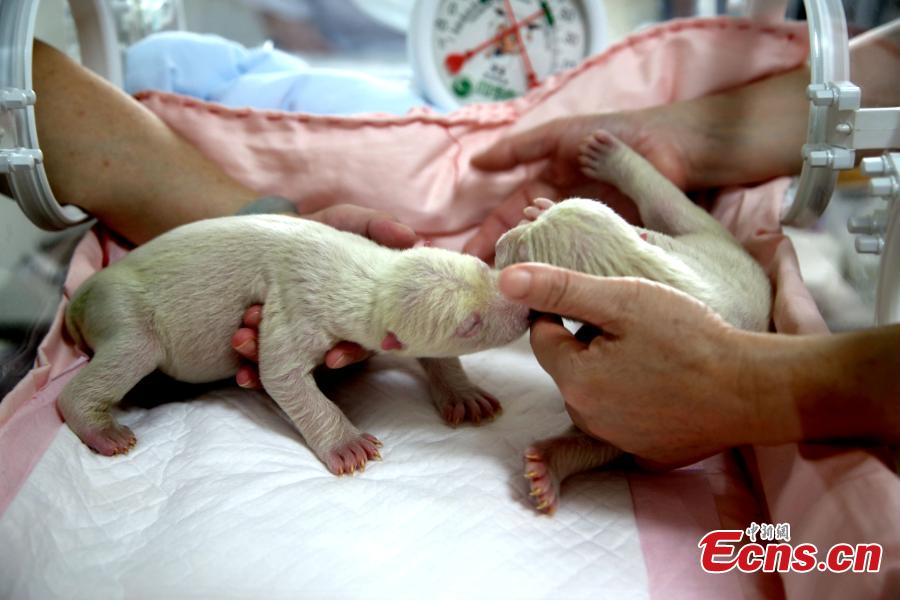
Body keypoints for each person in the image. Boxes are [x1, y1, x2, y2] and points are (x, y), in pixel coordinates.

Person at [24, 24, 900, 469]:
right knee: (153, 340)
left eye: (490, 289)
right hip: (151, 309)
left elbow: (430, 324)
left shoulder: (404, 309)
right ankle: (92, 402)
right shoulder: (373, 313)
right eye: (488, 318)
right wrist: (333, 434)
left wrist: (753, 388)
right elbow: (305, 363)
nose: (511, 305)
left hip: (282, 272)